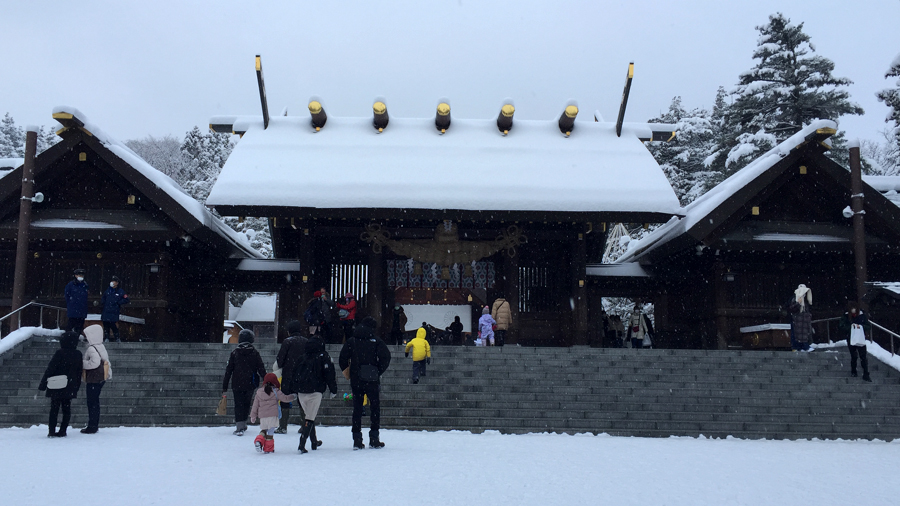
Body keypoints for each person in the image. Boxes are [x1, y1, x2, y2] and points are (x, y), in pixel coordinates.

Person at [339, 316, 392, 450]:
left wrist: (349, 372)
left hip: (357, 379)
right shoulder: (376, 341)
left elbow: (342, 358)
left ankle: (357, 439)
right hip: (372, 379)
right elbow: (386, 356)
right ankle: (374, 437)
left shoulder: (352, 340)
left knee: (357, 408)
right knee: (375, 407)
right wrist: (377, 370)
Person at [293, 333, 338, 453]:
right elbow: (329, 374)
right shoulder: (323, 356)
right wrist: (333, 389)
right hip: (315, 391)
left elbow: (293, 373)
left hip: (301, 391)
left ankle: (314, 441)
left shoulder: (302, 357)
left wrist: (292, 389)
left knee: (308, 415)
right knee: (310, 418)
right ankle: (301, 445)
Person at [38, 331, 83, 438]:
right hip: (70, 385)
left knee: (54, 408)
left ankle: (51, 431)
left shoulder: (60, 353)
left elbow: (50, 369)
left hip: (56, 384)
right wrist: (77, 386)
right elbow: (79, 372)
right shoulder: (78, 354)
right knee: (66, 408)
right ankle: (63, 430)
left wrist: (43, 384)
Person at [222, 329, 267, 436]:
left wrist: (225, 385)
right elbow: (261, 368)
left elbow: (229, 370)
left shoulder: (235, 353)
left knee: (238, 404)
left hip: (237, 382)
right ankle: (244, 422)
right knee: (247, 403)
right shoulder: (254, 353)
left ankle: (239, 426)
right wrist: (266, 380)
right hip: (250, 382)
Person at [274, 320, 308, 434]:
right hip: (303, 375)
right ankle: (304, 424)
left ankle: (283, 426)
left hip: (288, 375)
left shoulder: (287, 342)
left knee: (285, 400)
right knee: (302, 401)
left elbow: (280, 359)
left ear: (289, 331)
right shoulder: (306, 342)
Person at [250, 373, 296, 453]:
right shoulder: (276, 391)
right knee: (270, 433)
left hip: (263, 416)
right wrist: (293, 396)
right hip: (272, 415)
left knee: (264, 430)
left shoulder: (259, 392)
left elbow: (255, 405)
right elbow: (285, 398)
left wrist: (253, 415)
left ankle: (259, 440)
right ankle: (268, 449)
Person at [81, 325, 111, 434]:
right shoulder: (100, 346)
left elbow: (94, 363)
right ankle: (94, 424)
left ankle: (92, 425)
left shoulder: (91, 348)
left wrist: (83, 363)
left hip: (93, 378)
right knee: (95, 402)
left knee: (92, 402)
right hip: (100, 378)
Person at [838, 301, 872, 382]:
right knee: (854, 355)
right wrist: (851, 327)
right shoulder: (846, 316)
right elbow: (841, 326)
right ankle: (854, 371)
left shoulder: (862, 315)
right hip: (851, 338)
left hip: (860, 338)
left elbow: (868, 326)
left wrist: (860, 327)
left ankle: (865, 373)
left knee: (863, 356)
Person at [100, 276, 129, 343]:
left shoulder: (120, 291)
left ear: (117, 283)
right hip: (106, 310)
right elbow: (103, 298)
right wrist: (103, 302)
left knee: (113, 325)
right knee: (106, 324)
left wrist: (119, 303)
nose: (112, 283)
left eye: (114, 281)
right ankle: (106, 337)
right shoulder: (108, 290)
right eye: (112, 281)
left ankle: (117, 338)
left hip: (114, 311)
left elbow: (126, 299)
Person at [64, 268, 89, 336]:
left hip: (82, 309)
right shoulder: (71, 285)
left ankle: (76, 338)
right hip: (73, 309)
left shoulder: (85, 285)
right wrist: (71, 303)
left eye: (82, 275)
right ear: (75, 275)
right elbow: (67, 295)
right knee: (70, 324)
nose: (80, 276)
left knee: (79, 326)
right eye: (79, 275)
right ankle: (67, 338)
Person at [789, 284, 813, 351]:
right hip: (797, 321)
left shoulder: (806, 300)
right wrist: (798, 303)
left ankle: (804, 347)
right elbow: (792, 308)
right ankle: (798, 347)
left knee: (805, 335)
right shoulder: (795, 298)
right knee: (796, 335)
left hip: (804, 321)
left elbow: (808, 310)